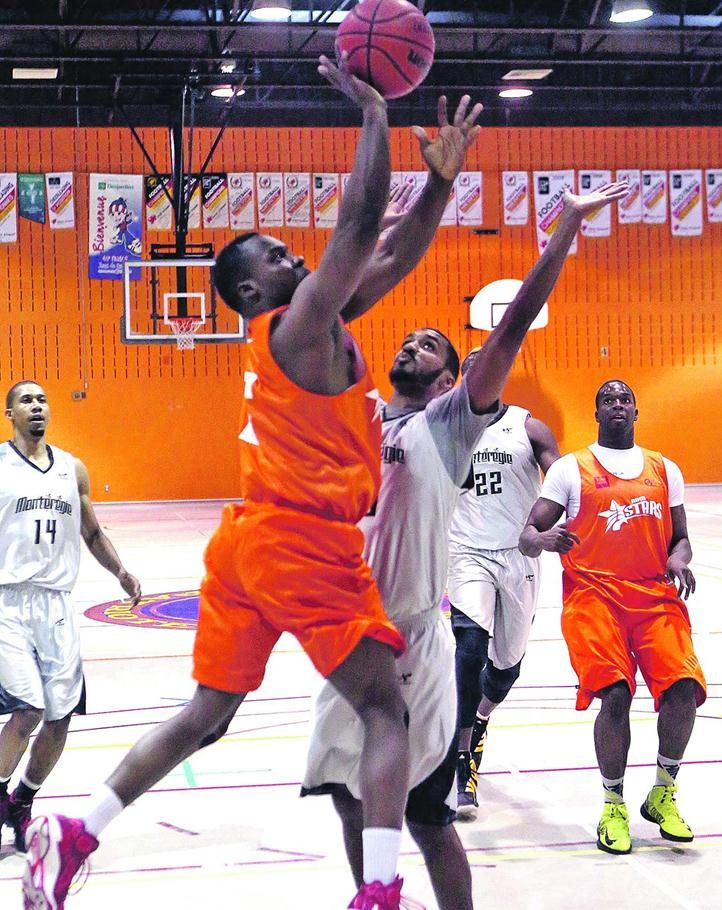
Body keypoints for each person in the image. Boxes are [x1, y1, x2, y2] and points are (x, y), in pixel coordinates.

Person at [23, 57, 482, 910]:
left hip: (246, 544)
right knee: (387, 710)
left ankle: (75, 833)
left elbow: (390, 251)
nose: (293, 252)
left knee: (208, 713)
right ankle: (380, 892)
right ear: (250, 290)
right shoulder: (297, 324)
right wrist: (376, 113)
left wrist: (441, 186)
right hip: (302, 541)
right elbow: (355, 227)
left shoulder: (322, 322)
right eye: (276, 253)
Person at [301, 181, 628, 910]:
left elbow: (511, 326)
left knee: (428, 818)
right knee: (344, 793)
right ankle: (375, 898)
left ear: (452, 381)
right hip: (347, 634)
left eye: (429, 345)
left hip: (412, 642)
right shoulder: (359, 416)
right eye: (406, 338)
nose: (409, 343)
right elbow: (322, 311)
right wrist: (370, 238)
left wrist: (564, 232)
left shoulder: (445, 426)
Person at [519, 380, 707, 856]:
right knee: (616, 695)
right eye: (608, 399)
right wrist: (542, 541)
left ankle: (663, 792)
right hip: (593, 596)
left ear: (636, 411)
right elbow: (528, 534)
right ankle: (613, 805)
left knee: (684, 687)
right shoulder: (569, 469)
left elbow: (680, 537)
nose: (617, 404)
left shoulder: (664, 469)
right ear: (597, 411)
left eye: (625, 398)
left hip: (653, 595)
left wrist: (679, 559)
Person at [1, 381, 140, 852]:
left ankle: (21, 802)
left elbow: (93, 531)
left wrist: (121, 570)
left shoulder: (71, 470)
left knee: (60, 719)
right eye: (26, 400)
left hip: (57, 606)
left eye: (42, 400)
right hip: (8, 602)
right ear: (9, 413)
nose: (37, 406)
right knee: (29, 709)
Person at [447, 352, 560, 819]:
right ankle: (460, 758)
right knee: (469, 645)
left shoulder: (528, 427)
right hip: (466, 552)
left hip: (521, 554)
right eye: (472, 366)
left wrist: (562, 528)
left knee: (505, 669)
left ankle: (479, 719)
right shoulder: (444, 430)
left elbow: (565, 482)